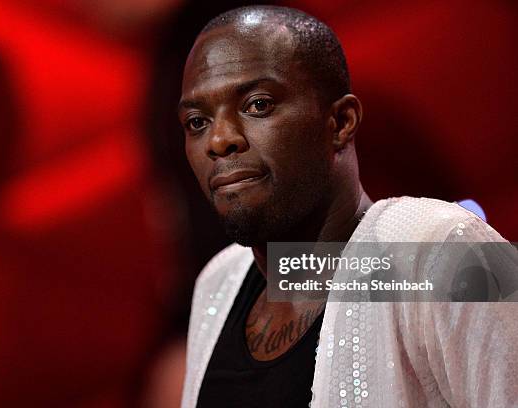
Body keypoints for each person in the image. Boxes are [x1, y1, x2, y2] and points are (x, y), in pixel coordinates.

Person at [177, 5, 518, 408]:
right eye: (197, 122)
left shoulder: (445, 251)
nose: (219, 140)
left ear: (340, 122)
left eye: (258, 104)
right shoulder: (217, 283)